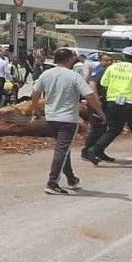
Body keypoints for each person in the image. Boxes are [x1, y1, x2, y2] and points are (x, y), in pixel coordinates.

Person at [31, 48, 104, 195]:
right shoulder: (73, 76)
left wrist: (35, 109)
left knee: (63, 148)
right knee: (62, 150)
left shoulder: (47, 74)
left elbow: (35, 92)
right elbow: (89, 95)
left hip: (51, 117)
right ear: (69, 59)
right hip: (68, 119)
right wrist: (100, 111)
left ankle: (71, 178)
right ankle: (52, 183)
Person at [85, 47, 132, 170]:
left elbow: (104, 83)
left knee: (113, 129)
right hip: (131, 104)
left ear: (123, 56)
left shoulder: (112, 68)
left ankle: (94, 150)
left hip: (113, 103)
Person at [81, 52, 114, 162]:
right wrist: (97, 101)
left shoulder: (108, 71)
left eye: (110, 60)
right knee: (97, 128)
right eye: (106, 60)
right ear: (100, 60)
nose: (108, 62)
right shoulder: (100, 70)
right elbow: (92, 85)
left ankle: (99, 151)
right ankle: (86, 152)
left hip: (104, 103)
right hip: (97, 103)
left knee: (103, 128)